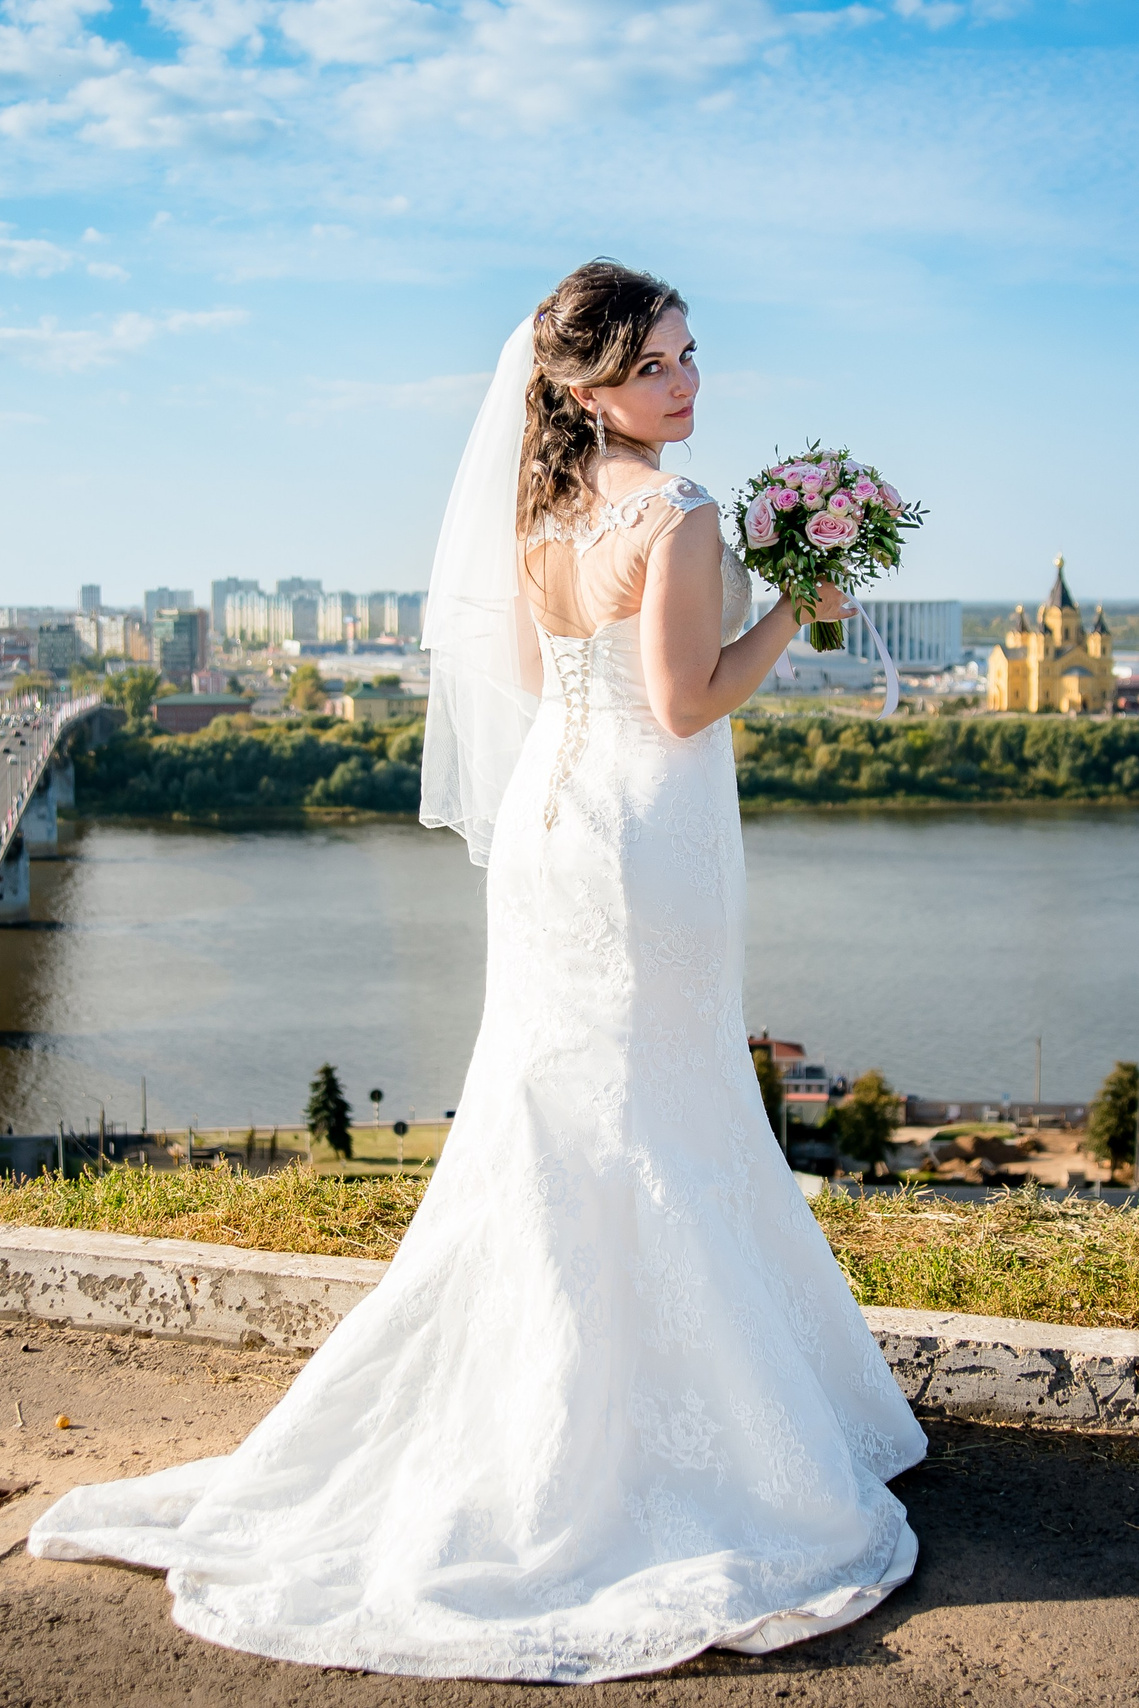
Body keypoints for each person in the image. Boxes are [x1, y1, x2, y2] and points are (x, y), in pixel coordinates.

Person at [30, 261, 926, 1682]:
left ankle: (567, 1391)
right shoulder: (682, 516)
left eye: (693, 355)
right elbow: (690, 705)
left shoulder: (539, 511)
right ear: (580, 387)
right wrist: (799, 600)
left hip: (552, 832)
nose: (687, 385)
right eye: (655, 369)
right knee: (664, 1097)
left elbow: (528, 674)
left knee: (565, 1106)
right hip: (652, 833)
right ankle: (670, 1423)